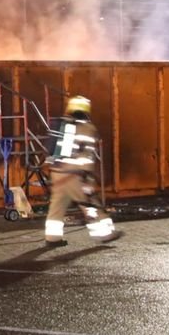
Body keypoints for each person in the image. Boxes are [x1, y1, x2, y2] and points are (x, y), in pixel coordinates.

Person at [44, 95, 121, 246]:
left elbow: (50, 151)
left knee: (57, 206)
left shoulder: (61, 125)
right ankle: (105, 234)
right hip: (76, 175)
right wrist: (87, 176)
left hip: (57, 173)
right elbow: (87, 154)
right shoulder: (88, 128)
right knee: (90, 204)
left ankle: (52, 238)